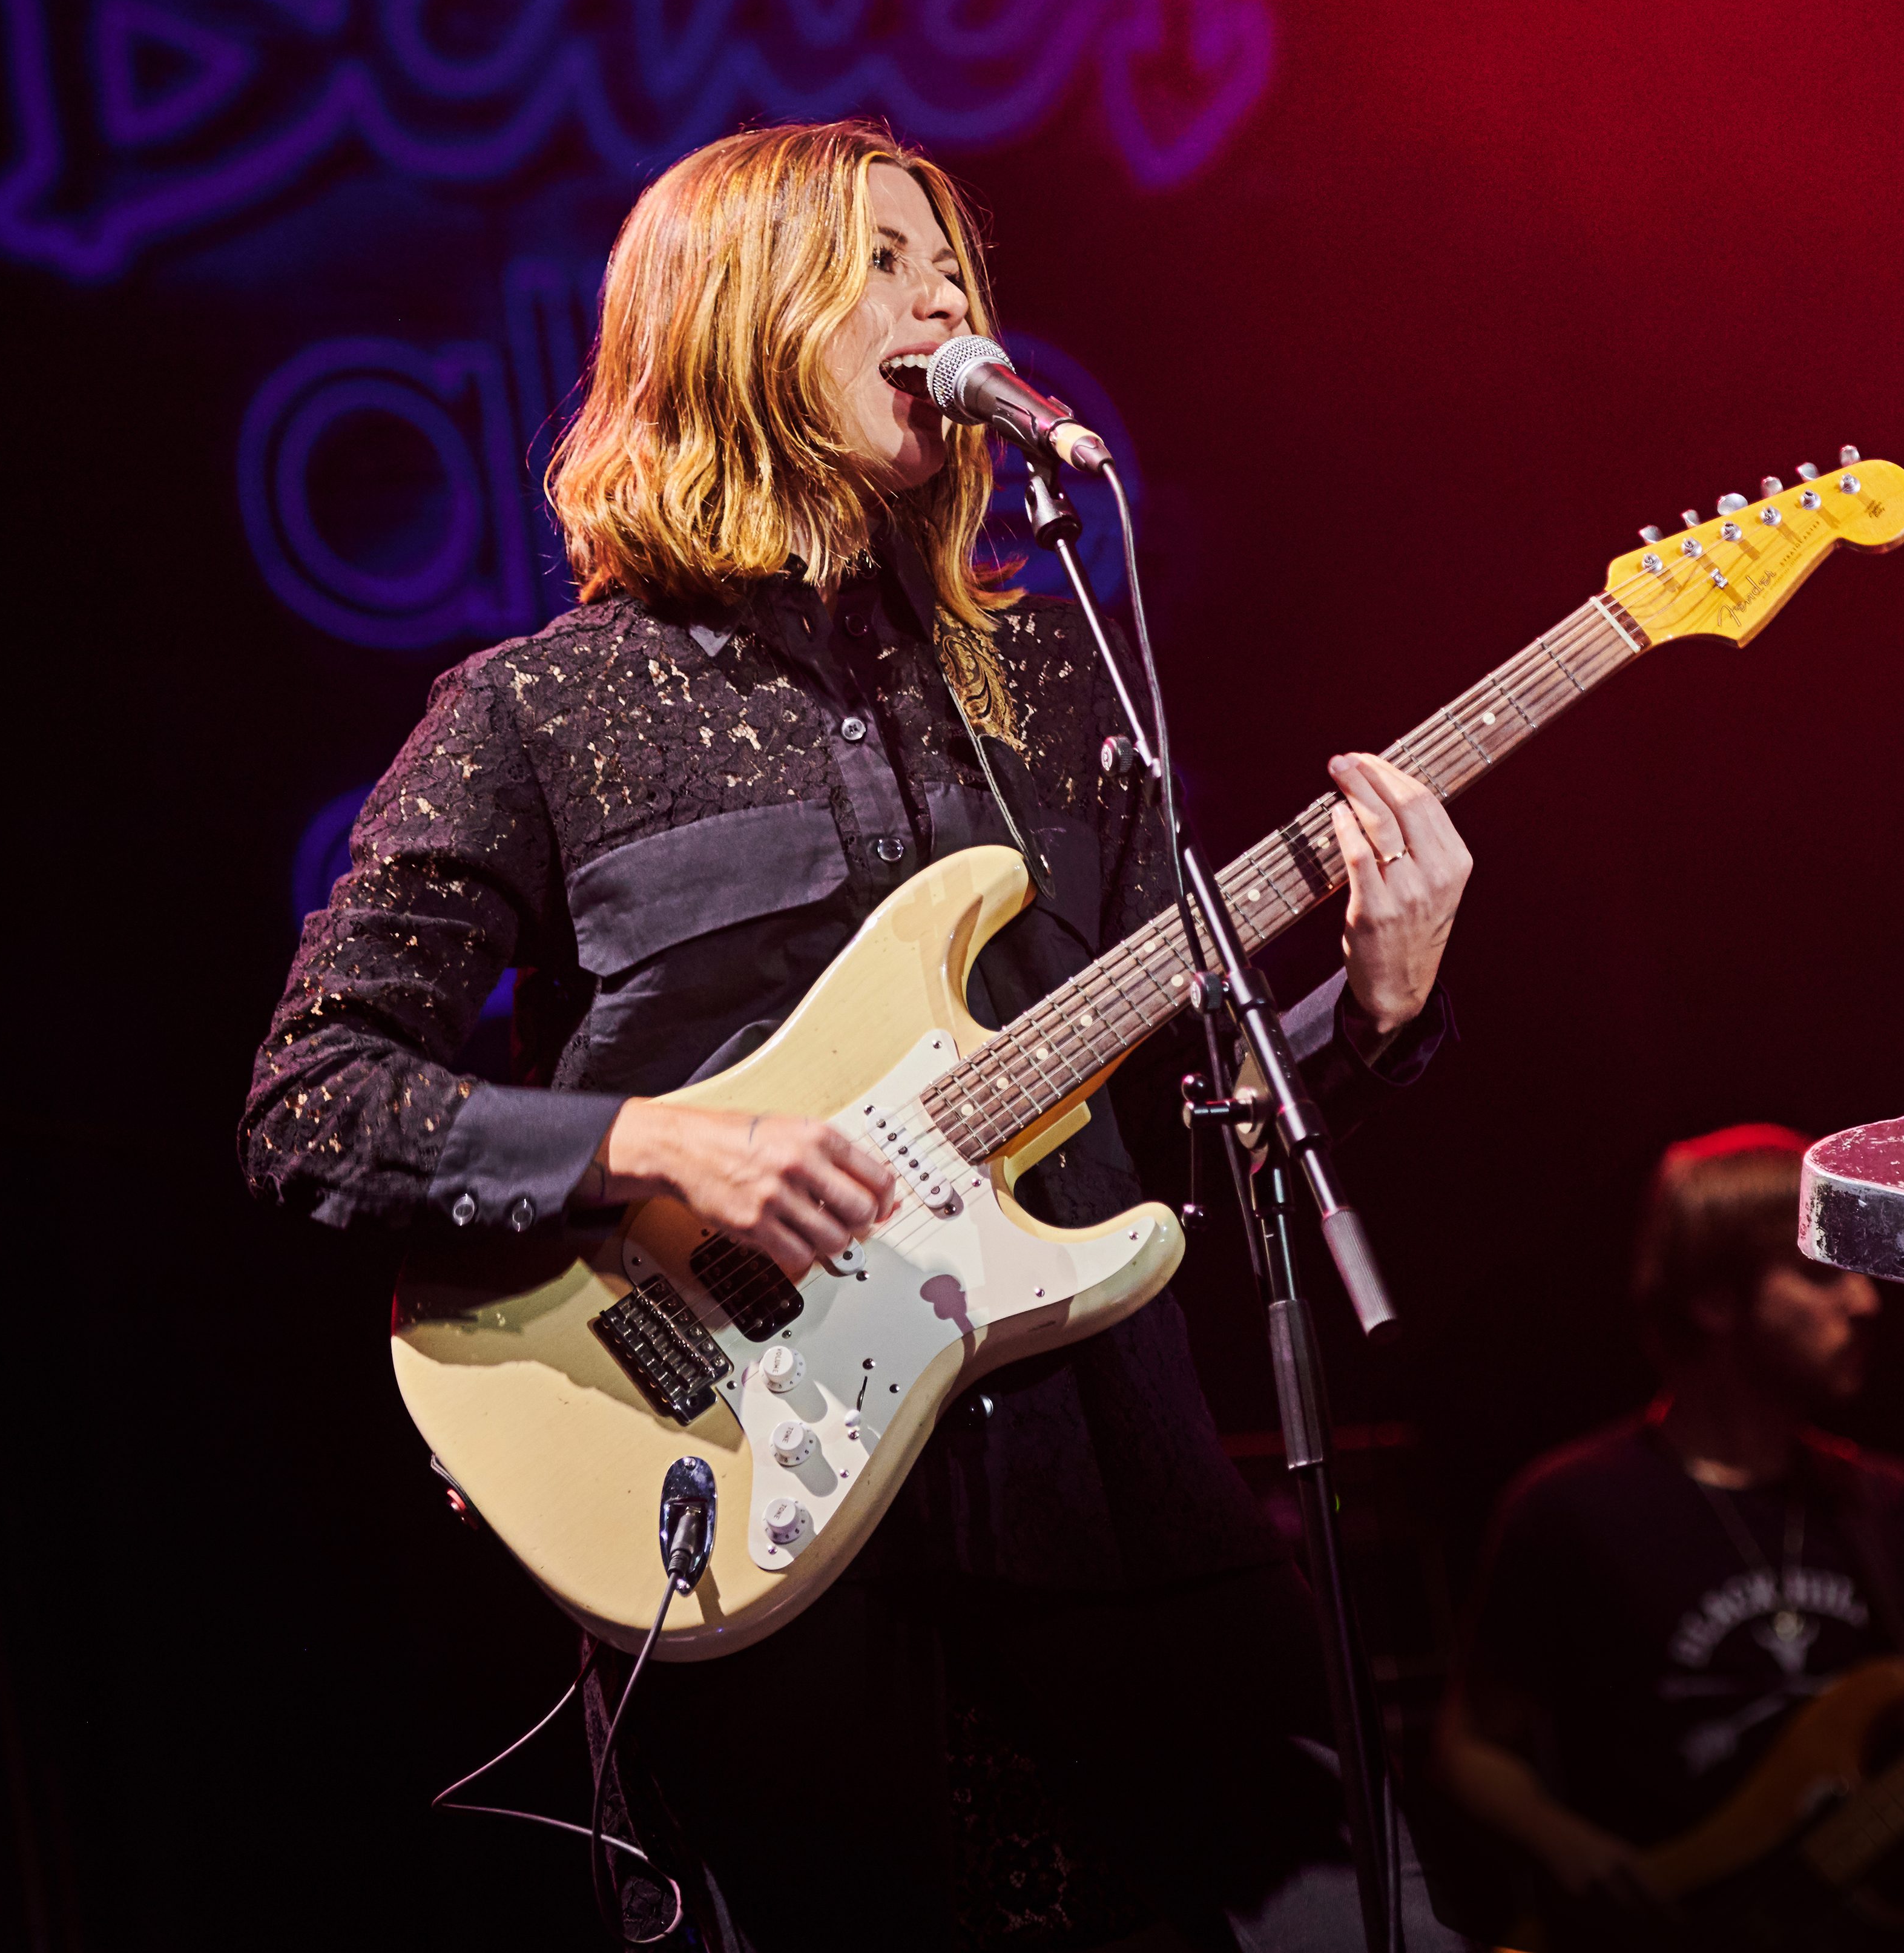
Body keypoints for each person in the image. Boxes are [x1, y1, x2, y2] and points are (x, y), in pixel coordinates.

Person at [243, 122, 1475, 1950]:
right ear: (738, 318)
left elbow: (1204, 1139)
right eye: (887, 262)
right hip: (750, 1501)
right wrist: (643, 1144)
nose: (945, 301)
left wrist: (1377, 1007)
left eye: (958, 268)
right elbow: (313, 1104)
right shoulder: (540, 712)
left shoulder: (1057, 685)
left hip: (1107, 1491)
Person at [1431, 1124, 1904, 1946]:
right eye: (1819, 1275)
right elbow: (1472, 1743)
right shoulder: (1569, 1509)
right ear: (1713, 1297)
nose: (1864, 1302)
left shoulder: (1889, 1504)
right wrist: (1571, 1850)